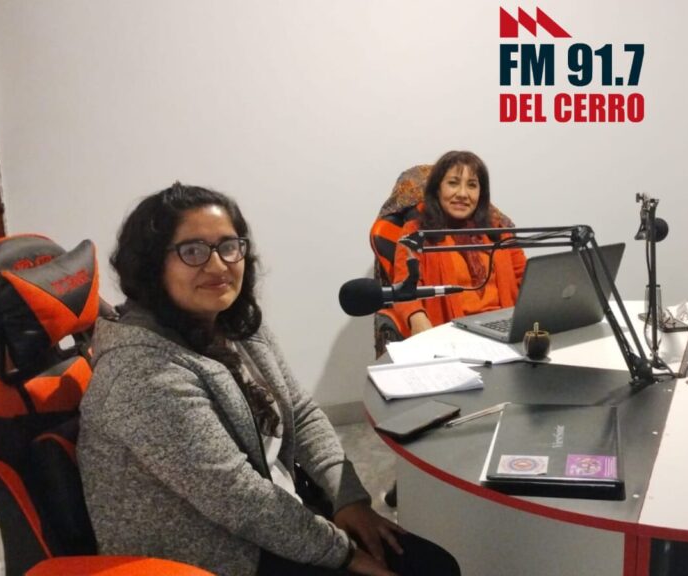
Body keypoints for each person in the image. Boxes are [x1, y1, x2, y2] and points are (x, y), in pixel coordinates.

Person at [78, 183, 461, 576]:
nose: (218, 265)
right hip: (215, 555)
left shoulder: (235, 325)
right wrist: (345, 554)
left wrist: (348, 498)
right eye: (192, 251)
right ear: (151, 265)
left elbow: (301, 411)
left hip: (272, 515)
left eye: (229, 246)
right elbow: (237, 497)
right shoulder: (142, 372)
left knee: (432, 565)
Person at [391, 151, 526, 335]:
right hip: (453, 335)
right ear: (437, 189)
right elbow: (405, 290)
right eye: (453, 183)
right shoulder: (415, 233)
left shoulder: (499, 231)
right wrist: (417, 319)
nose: (463, 194)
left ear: (481, 193)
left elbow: (526, 280)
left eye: (472, 185)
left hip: (505, 331)